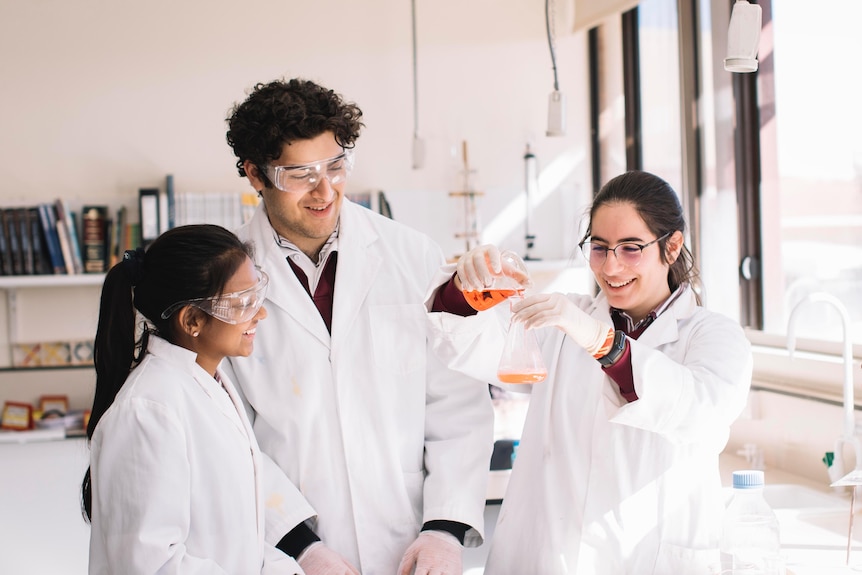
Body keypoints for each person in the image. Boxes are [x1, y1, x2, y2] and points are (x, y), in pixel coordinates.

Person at [222, 78, 494, 575]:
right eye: (301, 174)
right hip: (284, 553)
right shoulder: (224, 281)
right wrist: (301, 545)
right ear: (255, 175)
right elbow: (229, 434)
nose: (326, 190)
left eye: (336, 166)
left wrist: (445, 530)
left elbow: (457, 404)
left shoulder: (411, 255)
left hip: (407, 543)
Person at [427, 170, 754, 574]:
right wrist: (462, 287)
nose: (611, 267)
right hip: (550, 558)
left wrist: (604, 342)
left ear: (672, 246)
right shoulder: (565, 319)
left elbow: (699, 412)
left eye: (630, 248)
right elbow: (470, 343)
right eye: (599, 248)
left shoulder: (714, 335)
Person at [82, 224, 310, 575]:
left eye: (257, 295)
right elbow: (150, 565)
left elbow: (241, 540)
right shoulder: (148, 410)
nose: (260, 313)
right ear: (192, 320)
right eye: (243, 303)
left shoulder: (209, 385)